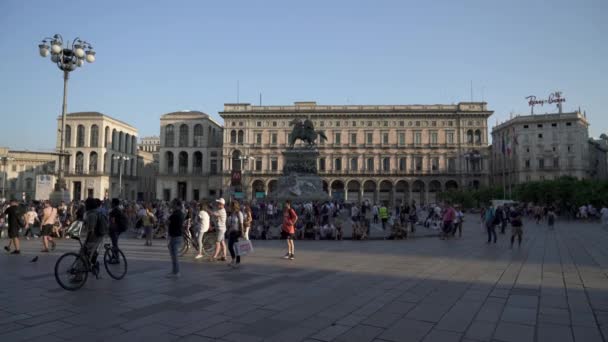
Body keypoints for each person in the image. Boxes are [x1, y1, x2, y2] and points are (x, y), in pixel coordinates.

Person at [167, 200, 184, 278]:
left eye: (173, 204)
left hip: (175, 236)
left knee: (174, 256)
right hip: (178, 235)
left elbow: (167, 222)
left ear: (177, 205)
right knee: (174, 254)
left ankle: (176, 272)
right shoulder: (180, 213)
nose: (172, 205)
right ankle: (174, 271)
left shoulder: (175, 214)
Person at [227, 201, 244, 268]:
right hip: (231, 231)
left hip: (237, 232)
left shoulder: (239, 213)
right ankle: (234, 259)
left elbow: (241, 223)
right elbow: (230, 223)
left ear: (235, 206)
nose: (230, 207)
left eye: (231, 206)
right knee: (230, 246)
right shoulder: (231, 214)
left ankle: (237, 261)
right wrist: (228, 230)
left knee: (235, 246)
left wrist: (242, 232)